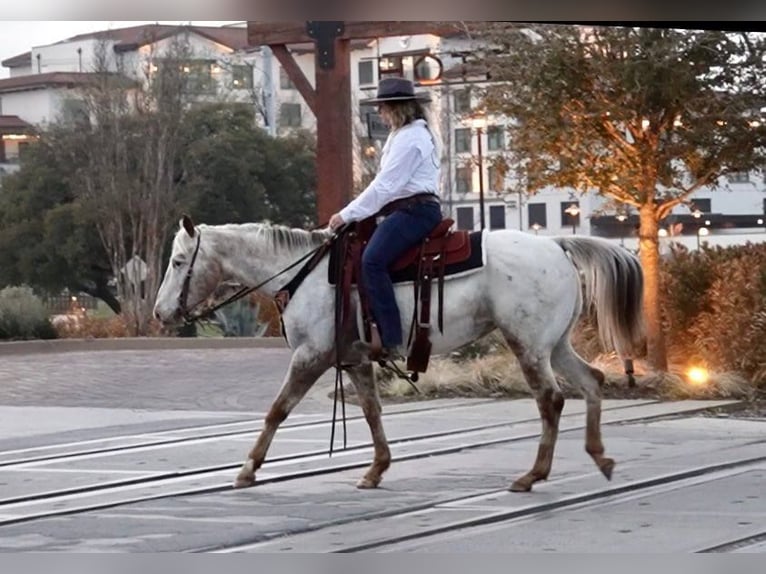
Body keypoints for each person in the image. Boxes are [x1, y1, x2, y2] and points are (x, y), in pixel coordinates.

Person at [328, 77, 442, 360]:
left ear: (396, 109)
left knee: (372, 260)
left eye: (382, 107)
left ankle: (391, 340)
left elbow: (385, 187)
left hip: (414, 211)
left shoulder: (410, 138)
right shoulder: (405, 135)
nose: (379, 113)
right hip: (406, 209)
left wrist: (346, 214)